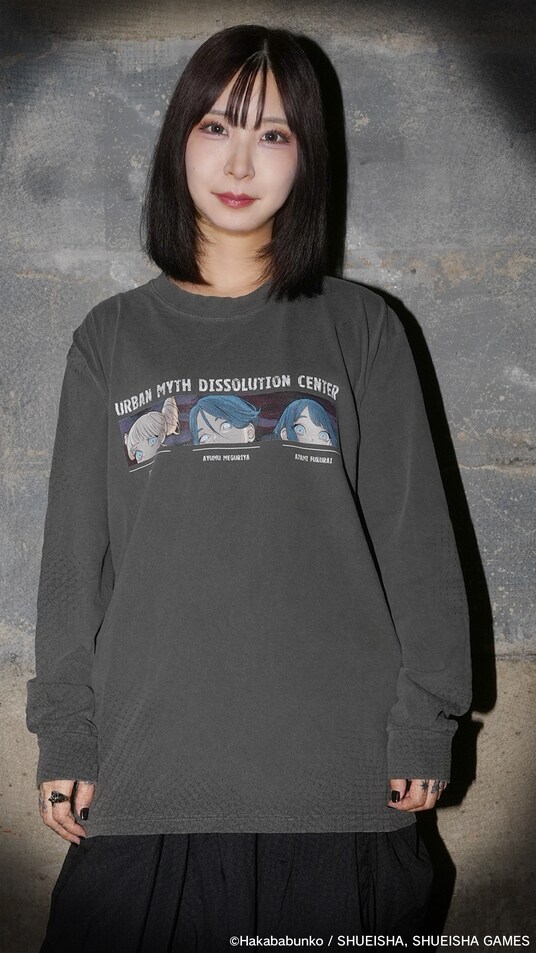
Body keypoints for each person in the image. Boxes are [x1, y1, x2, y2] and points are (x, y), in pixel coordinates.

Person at [27, 24, 472, 951]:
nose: (240, 161)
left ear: (308, 158)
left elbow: (418, 544)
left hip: (339, 777)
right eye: (216, 126)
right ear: (178, 142)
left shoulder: (364, 328)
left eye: (274, 133)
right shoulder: (110, 338)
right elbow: (73, 563)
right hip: (151, 773)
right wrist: (66, 734)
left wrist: (426, 719)